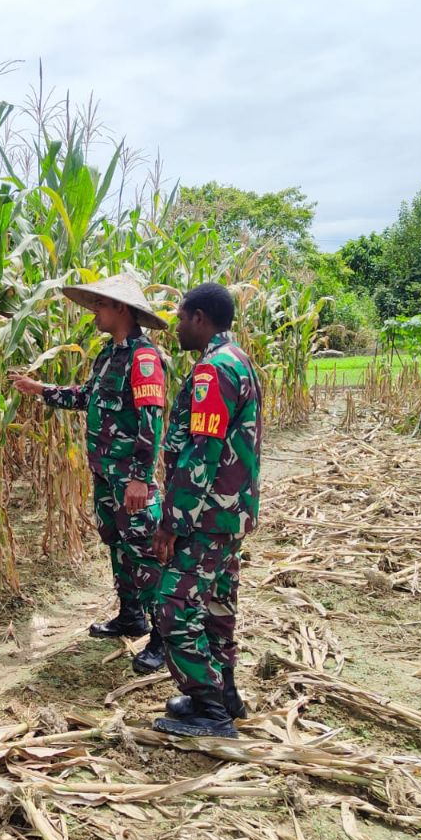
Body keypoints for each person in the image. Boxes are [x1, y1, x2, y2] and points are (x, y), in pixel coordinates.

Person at [11, 273, 168, 642]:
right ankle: (131, 616)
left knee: (142, 550)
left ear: (121, 308)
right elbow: (86, 397)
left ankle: (163, 637)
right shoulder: (109, 355)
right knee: (117, 543)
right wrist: (41, 390)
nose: (94, 311)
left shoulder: (144, 358)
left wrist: (140, 478)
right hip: (106, 474)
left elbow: (151, 421)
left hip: (129, 477)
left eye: (100, 304)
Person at [146, 282, 262, 739]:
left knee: (173, 608)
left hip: (206, 515)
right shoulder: (239, 360)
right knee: (217, 605)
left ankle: (210, 709)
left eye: (179, 318)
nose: (175, 327)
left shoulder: (213, 370)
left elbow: (202, 452)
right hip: (229, 513)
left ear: (199, 318)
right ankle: (223, 693)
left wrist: (172, 522)